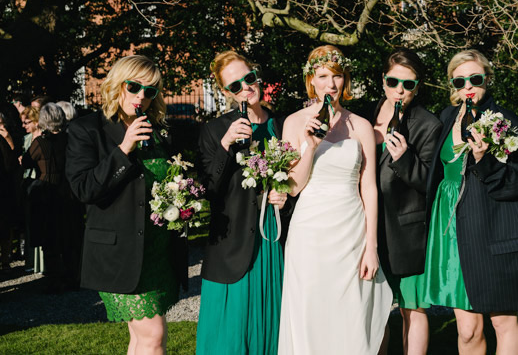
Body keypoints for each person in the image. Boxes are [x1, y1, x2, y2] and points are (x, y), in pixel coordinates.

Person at [66, 55, 187, 354]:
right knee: (154, 336)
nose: (141, 97)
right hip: (121, 254)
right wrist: (124, 149)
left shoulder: (159, 131)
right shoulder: (87, 129)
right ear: (118, 84)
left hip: (158, 253)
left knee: (142, 340)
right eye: (134, 87)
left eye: (150, 91)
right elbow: (84, 189)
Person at [278, 45, 392, 354]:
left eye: (337, 76)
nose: (331, 84)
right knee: (310, 312)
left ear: (346, 80)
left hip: (351, 231)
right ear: (311, 80)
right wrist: (311, 145)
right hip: (309, 234)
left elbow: (369, 188)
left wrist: (372, 247)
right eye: (323, 76)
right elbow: (293, 187)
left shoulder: (361, 126)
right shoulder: (293, 123)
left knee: (351, 312)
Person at [422, 49, 518, 354]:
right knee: (468, 329)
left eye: (475, 78)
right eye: (460, 81)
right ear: (452, 85)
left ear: (487, 78)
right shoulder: (446, 117)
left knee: (503, 322)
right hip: (450, 231)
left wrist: (484, 159)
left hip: (491, 229)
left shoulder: (505, 121)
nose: (468, 86)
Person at [196, 50, 290, 355]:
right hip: (232, 242)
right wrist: (225, 146)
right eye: (235, 86)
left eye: (249, 79)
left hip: (272, 239)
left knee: (271, 325)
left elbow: (301, 177)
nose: (245, 88)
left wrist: (285, 193)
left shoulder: (282, 125)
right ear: (226, 93)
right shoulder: (213, 131)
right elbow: (209, 190)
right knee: (231, 333)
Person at [369, 49, 442, 355]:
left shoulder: (428, 124)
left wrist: (404, 158)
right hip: (367, 227)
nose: (400, 89)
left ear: (417, 86)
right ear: (383, 81)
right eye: (393, 81)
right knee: (373, 310)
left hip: (406, 230)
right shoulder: (362, 115)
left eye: (408, 84)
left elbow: (430, 182)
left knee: (411, 308)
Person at [20, 103, 71, 292]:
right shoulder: (69, 139)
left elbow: (26, 162)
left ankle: (54, 279)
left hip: (46, 191)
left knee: (48, 236)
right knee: (66, 233)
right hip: (66, 190)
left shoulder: (40, 143)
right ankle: (71, 275)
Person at [20, 106, 43, 273]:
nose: (24, 125)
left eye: (27, 122)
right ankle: (30, 260)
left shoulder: (43, 138)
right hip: (28, 181)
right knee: (28, 221)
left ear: (36, 121)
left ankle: (41, 261)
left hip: (40, 181)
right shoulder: (26, 139)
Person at [0, 103, 22, 271]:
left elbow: (12, 163)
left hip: (5, 186)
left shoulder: (7, 138)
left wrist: (8, 140)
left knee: (5, 226)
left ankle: (5, 260)